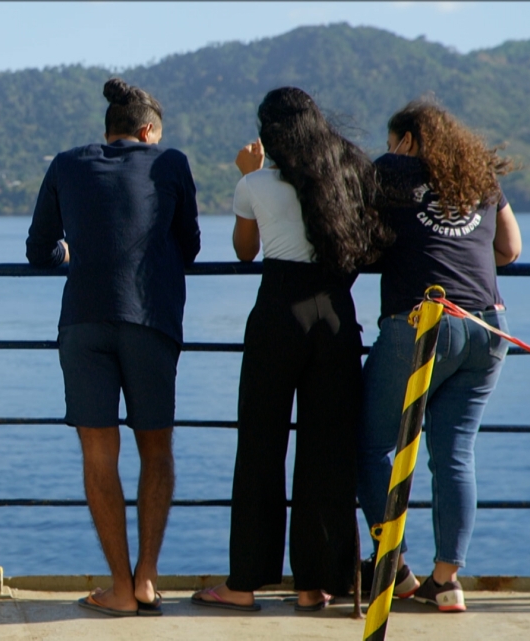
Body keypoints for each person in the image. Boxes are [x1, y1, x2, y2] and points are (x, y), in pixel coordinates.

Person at [192, 87, 387, 613]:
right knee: (327, 451)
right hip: (335, 318)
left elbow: (244, 250)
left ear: (273, 134)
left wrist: (244, 176)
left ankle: (245, 583)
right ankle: (315, 585)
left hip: (278, 316)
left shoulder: (255, 183)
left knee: (260, 447)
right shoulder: (349, 177)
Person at [26, 78, 200, 617]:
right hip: (150, 320)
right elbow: (189, 247)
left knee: (99, 455)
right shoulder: (170, 162)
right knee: (156, 450)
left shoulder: (65, 163)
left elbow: (38, 251)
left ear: (110, 129)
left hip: (83, 321)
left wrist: (70, 251)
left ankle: (119, 590)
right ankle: (146, 579)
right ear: (148, 132)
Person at [356, 98, 521, 613]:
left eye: (391, 143)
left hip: (424, 323)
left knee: (372, 444)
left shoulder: (393, 170)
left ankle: (396, 569)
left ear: (406, 141)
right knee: (453, 453)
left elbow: (362, 238)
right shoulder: (478, 178)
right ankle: (447, 581)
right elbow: (510, 248)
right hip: (488, 325)